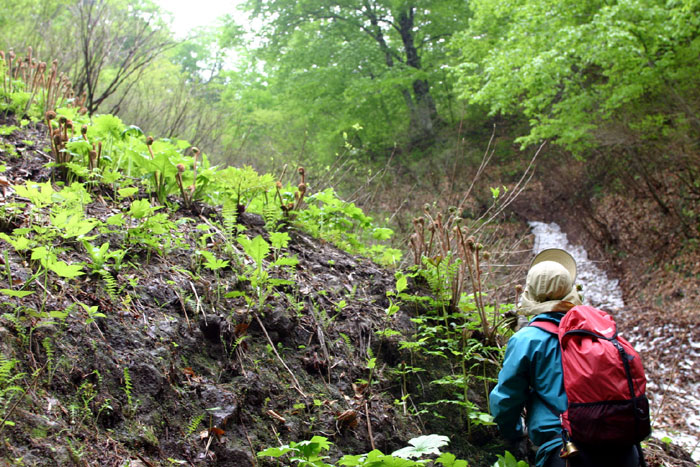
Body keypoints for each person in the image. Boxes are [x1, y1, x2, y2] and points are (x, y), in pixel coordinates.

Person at [489, 249, 640, 467]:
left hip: (568, 454)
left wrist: (513, 435)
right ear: (571, 292)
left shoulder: (527, 340)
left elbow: (507, 399)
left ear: (530, 294)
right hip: (626, 452)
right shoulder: (600, 332)